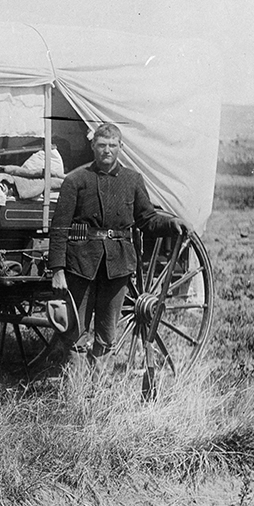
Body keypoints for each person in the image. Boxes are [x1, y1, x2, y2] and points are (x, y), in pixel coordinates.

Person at [48, 123, 186, 371]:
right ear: (93, 146)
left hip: (118, 265)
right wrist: (58, 269)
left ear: (120, 147)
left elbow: (147, 219)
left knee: (107, 333)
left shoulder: (133, 180)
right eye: (102, 145)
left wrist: (171, 222)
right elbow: (59, 228)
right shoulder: (76, 180)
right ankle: (77, 393)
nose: (107, 151)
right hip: (81, 264)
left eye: (112, 145)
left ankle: (99, 391)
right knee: (76, 332)